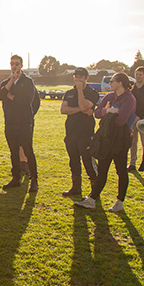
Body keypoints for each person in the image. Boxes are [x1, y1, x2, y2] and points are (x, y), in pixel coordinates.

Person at [75, 72, 135, 212]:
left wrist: (109, 114)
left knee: (121, 170)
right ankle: (92, 199)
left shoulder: (129, 99)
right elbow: (97, 113)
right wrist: (109, 112)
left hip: (121, 139)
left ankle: (120, 201)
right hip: (106, 137)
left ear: (120, 83)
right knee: (102, 168)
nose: (110, 83)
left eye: (112, 81)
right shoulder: (109, 97)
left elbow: (121, 121)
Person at [0, 55, 39, 192]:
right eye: (12, 63)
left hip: (24, 122)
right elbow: (0, 95)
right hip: (10, 122)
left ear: (21, 66)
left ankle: (34, 179)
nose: (14, 66)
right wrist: (11, 81)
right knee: (13, 151)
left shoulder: (28, 82)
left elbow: (26, 101)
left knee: (28, 150)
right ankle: (16, 178)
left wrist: (9, 96)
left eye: (17, 63)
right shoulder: (5, 82)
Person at [60, 67, 99, 196]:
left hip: (85, 133)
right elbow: (63, 110)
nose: (78, 80)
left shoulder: (92, 93)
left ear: (86, 78)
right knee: (73, 161)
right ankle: (76, 188)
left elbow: (84, 105)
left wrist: (80, 91)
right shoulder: (69, 93)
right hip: (71, 132)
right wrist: (81, 110)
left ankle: (95, 190)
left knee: (88, 161)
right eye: (76, 77)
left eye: (81, 77)